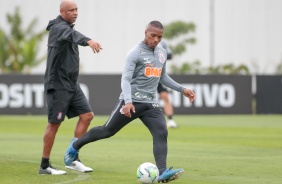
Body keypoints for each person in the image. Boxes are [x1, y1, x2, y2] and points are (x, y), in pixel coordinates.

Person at [64, 20, 195, 182]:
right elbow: (125, 79)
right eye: (153, 35)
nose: (156, 40)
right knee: (107, 131)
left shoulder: (161, 53)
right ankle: (75, 146)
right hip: (131, 102)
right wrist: (127, 102)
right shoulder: (135, 53)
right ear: (145, 33)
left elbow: (163, 76)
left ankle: (162, 172)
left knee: (161, 132)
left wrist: (182, 89)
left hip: (150, 105)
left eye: (159, 37)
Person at [39, 0, 102, 175]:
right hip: (58, 85)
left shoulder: (67, 28)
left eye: (76, 9)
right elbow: (72, 36)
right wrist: (88, 41)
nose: (75, 13)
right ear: (62, 12)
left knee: (87, 116)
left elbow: (72, 35)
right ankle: (44, 166)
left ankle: (72, 157)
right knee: (54, 124)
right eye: (71, 10)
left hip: (72, 85)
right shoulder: (59, 28)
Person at [157, 39, 177, 128]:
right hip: (147, 74)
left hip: (158, 74)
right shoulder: (146, 42)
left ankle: (170, 120)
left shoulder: (163, 42)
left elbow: (169, 55)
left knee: (165, 96)